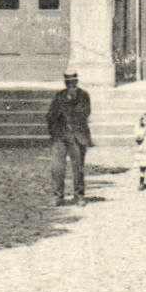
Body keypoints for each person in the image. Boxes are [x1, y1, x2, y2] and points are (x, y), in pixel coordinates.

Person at [46, 67, 92, 207]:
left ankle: (79, 195)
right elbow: (50, 116)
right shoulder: (59, 96)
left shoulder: (83, 96)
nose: (71, 85)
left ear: (77, 81)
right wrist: (54, 131)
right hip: (60, 136)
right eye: (68, 82)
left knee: (78, 168)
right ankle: (57, 195)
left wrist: (71, 103)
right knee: (57, 167)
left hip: (77, 136)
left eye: (73, 82)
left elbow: (84, 113)